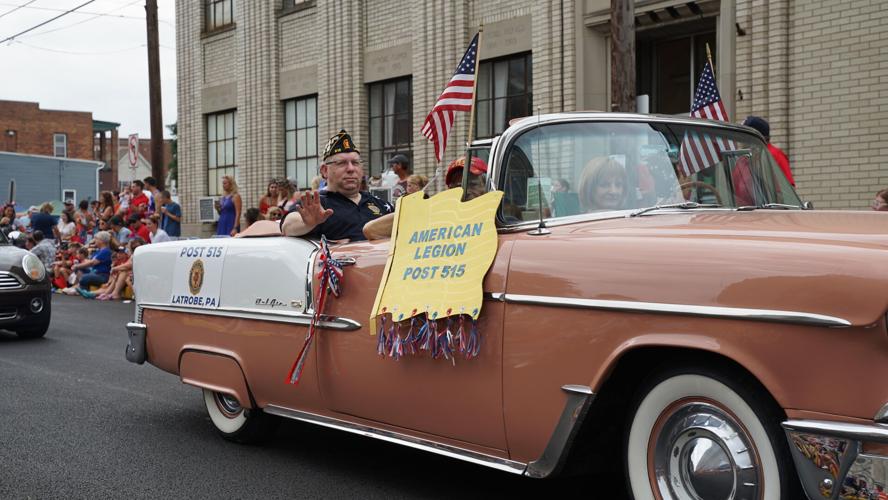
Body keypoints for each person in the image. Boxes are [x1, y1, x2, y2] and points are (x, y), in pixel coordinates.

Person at [281, 129, 393, 241]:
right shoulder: (316, 204)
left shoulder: (379, 203)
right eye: (341, 163)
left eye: (355, 163)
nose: (351, 169)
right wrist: (307, 224)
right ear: (325, 171)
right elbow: (288, 226)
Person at [742, 116, 794, 187]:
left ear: (758, 136)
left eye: (747, 135)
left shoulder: (775, 155)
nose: (744, 140)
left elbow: (787, 189)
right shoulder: (743, 159)